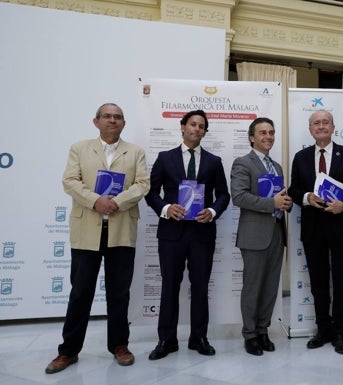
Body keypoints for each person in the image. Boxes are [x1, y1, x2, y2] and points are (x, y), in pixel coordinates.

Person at [45, 103, 150, 374]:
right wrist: (96, 201)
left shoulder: (135, 151)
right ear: (96, 121)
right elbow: (70, 181)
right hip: (87, 231)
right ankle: (68, 352)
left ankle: (119, 346)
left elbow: (142, 184)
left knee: (119, 293)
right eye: (107, 116)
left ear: (124, 124)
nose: (112, 121)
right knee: (80, 293)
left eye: (117, 117)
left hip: (121, 230)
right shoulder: (79, 148)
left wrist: (116, 201)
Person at [145, 110, 230, 360]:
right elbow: (151, 193)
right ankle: (166, 340)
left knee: (201, 287)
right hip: (171, 234)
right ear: (183, 127)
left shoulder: (214, 161)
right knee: (170, 286)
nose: (196, 129)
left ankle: (199, 337)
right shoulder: (165, 157)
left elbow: (223, 195)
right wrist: (165, 208)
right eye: (192, 124)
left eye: (201, 126)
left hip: (202, 234)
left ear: (205, 132)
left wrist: (213, 211)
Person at [288, 110, 343, 355]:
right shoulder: (300, 157)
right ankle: (323, 329)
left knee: (342, 281)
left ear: (333, 127)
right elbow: (293, 189)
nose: (321, 126)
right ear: (310, 129)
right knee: (319, 283)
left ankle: (340, 331)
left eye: (325, 123)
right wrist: (306, 197)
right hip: (313, 228)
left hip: (341, 226)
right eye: (316, 123)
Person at [230, 117, 292, 356]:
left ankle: (263, 330)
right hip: (254, 235)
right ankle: (250, 335)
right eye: (263, 132)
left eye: (272, 132)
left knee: (270, 287)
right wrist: (272, 203)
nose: (268, 136)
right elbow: (239, 197)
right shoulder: (242, 163)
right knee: (253, 286)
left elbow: (278, 197)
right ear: (252, 137)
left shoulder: (277, 167)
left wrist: (285, 202)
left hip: (277, 232)